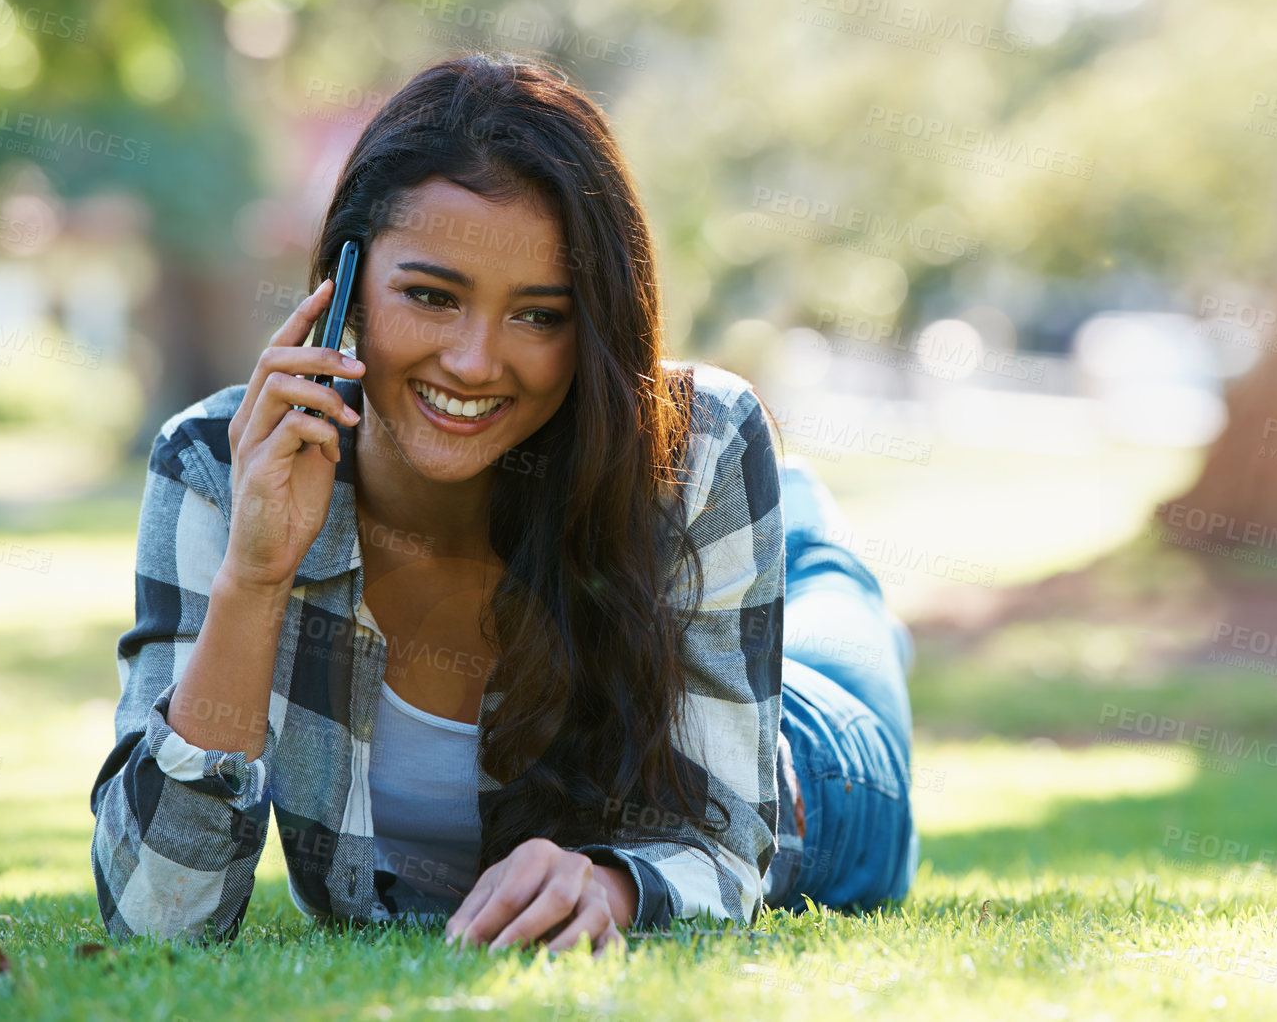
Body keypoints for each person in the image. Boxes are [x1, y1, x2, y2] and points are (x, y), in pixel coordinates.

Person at [89, 53, 918, 957]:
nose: (475, 361)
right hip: (702, 570)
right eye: (431, 296)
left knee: (838, 603)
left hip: (816, 764)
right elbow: (156, 914)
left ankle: (806, 539)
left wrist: (609, 883)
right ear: (344, 286)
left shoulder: (701, 445)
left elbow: (726, 846)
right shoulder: (217, 467)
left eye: (539, 315)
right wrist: (255, 574)